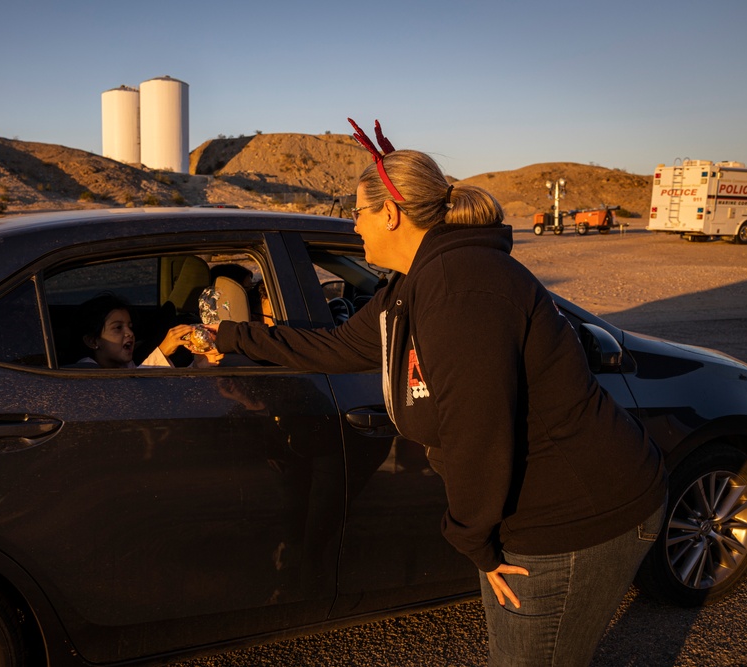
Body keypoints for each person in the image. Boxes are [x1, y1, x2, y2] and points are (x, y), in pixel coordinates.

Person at [209, 119, 667, 666]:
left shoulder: (460, 285)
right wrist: (234, 337)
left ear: (391, 213)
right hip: (536, 515)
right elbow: (339, 347)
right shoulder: (412, 284)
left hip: (573, 518)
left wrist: (472, 537)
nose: (353, 226)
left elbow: (478, 428)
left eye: (356, 211)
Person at [74, 292, 220, 368]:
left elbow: (158, 388)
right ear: (93, 341)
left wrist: (198, 366)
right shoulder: (86, 374)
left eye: (130, 327)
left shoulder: (124, 366)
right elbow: (137, 394)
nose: (129, 333)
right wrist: (162, 352)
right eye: (118, 328)